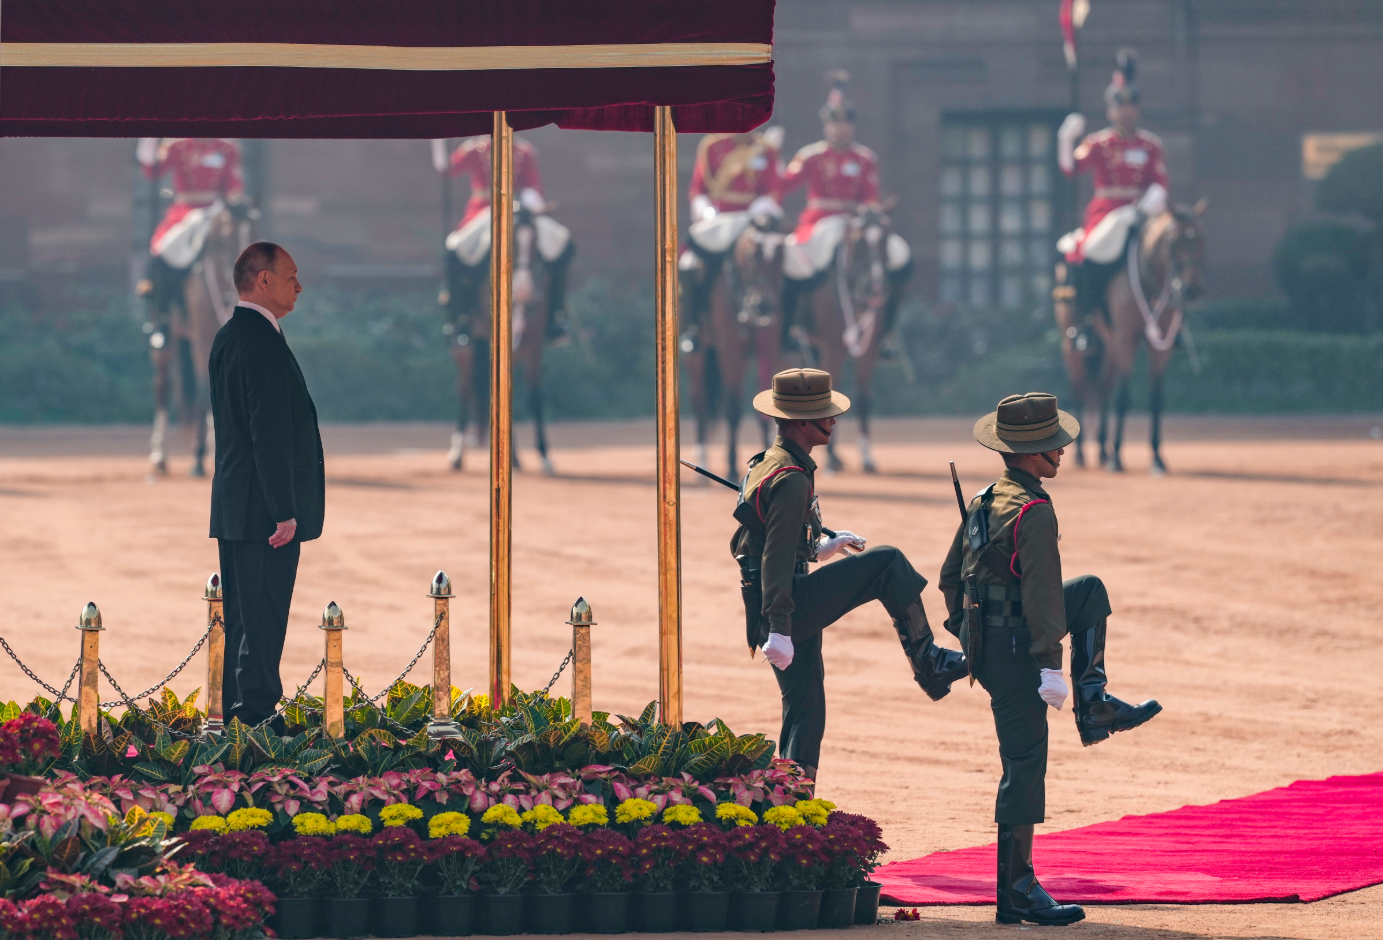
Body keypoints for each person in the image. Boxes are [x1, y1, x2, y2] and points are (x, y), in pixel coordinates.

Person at [939, 392, 1162, 925]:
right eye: (1051, 445)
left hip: (992, 647)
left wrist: (970, 637)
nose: (1061, 451)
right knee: (1024, 766)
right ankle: (1017, 893)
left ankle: (1095, 704)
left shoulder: (986, 498)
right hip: (1018, 653)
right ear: (1028, 452)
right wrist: (1048, 665)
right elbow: (1040, 596)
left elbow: (951, 579)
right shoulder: (1034, 512)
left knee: (1088, 591)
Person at [730, 368, 967, 782]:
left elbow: (762, 540)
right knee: (887, 562)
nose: (834, 420)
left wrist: (822, 546)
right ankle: (928, 660)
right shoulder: (790, 478)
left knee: (806, 710)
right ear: (802, 421)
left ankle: (793, 803)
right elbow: (774, 556)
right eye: (825, 413)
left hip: (773, 600)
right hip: (784, 601)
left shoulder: (773, 463)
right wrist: (781, 627)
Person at [209, 242, 324, 729]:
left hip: (238, 504)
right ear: (263, 281)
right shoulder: (260, 340)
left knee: (242, 616)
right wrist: (284, 510)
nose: (299, 285)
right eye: (291, 276)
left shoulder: (229, 336)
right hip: (263, 511)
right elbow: (267, 432)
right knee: (261, 615)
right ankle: (255, 716)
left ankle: (240, 707)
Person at [779, 72, 911, 345]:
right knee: (792, 263)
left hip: (854, 222)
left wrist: (871, 213)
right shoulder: (810, 156)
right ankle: (795, 327)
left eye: (846, 123)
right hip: (820, 221)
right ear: (826, 126)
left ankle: (887, 331)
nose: (842, 129)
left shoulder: (863, 158)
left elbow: (871, 195)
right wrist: (771, 158)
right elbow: (783, 185)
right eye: (835, 123)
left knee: (899, 256)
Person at [1055, 49, 1169, 326]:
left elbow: (1160, 182)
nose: (1126, 112)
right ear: (1111, 111)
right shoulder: (1098, 143)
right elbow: (1071, 169)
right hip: (1108, 212)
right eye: (1120, 106)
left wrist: (1154, 199)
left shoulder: (1150, 145)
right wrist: (1066, 138)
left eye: (1131, 106)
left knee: (1172, 251)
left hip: (1142, 212)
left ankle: (1171, 318)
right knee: (1089, 252)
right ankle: (1085, 319)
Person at [431, 135, 573, 342]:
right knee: (456, 248)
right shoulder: (475, 149)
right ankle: (459, 318)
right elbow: (447, 170)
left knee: (563, 243)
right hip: (484, 211)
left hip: (520, 210)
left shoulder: (524, 151)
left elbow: (532, 185)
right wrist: (437, 141)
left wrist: (533, 205)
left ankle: (556, 316)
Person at [679, 128, 784, 351]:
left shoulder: (765, 149)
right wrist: (708, 213)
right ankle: (693, 327)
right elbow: (698, 191)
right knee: (687, 263)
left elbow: (772, 191)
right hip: (719, 219)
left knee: (783, 260)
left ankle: (788, 331)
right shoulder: (711, 146)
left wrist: (757, 213)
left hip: (754, 220)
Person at [135, 137, 246, 329]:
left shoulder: (227, 148)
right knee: (165, 247)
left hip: (216, 211)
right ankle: (162, 320)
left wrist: (235, 201)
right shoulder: (177, 146)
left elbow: (233, 184)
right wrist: (149, 139)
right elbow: (152, 171)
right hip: (185, 211)